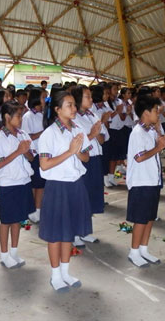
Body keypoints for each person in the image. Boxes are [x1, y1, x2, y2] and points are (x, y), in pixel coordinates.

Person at [37, 91, 93, 292]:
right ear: (57, 110)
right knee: (55, 234)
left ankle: (66, 272)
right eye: (69, 105)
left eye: (74, 105)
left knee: (68, 232)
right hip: (57, 187)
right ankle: (55, 276)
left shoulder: (78, 129)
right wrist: (69, 151)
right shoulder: (48, 134)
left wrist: (78, 152)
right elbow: (44, 165)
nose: (74, 109)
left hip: (75, 185)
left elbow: (87, 157)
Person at [126, 95, 165, 267]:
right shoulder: (137, 133)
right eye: (154, 110)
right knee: (141, 219)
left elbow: (154, 150)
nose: (158, 113)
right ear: (145, 113)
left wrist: (160, 139)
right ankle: (134, 251)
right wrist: (159, 147)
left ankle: (144, 249)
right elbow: (139, 157)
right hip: (141, 181)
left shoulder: (150, 130)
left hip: (152, 179)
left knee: (150, 217)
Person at [0, 101, 35, 268]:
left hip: (23, 181)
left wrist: (26, 151)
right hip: (8, 184)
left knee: (17, 219)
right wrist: (18, 151)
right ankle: (4, 254)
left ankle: (14, 252)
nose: (21, 119)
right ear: (8, 117)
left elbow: (31, 157)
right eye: (18, 116)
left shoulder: (23, 134)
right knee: (6, 221)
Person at [72, 85, 108, 247]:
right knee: (81, 196)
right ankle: (75, 232)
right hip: (82, 159)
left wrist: (96, 133)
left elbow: (102, 138)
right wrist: (93, 134)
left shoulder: (91, 114)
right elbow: (75, 142)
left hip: (95, 157)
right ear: (79, 99)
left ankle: (85, 231)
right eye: (88, 96)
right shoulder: (73, 118)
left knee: (92, 194)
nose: (91, 99)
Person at [21, 88, 46, 223]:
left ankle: (38, 209)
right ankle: (32, 210)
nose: (45, 100)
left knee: (41, 184)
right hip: (33, 153)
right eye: (43, 98)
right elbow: (26, 136)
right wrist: (43, 132)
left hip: (43, 153)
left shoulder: (43, 114)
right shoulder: (28, 116)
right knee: (35, 184)